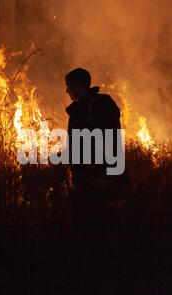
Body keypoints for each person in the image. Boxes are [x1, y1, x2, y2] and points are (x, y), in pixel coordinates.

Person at [64, 68, 127, 228]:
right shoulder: (77, 111)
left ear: (78, 86)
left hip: (103, 179)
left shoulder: (101, 105)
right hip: (85, 181)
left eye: (68, 86)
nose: (67, 91)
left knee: (101, 226)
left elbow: (109, 138)